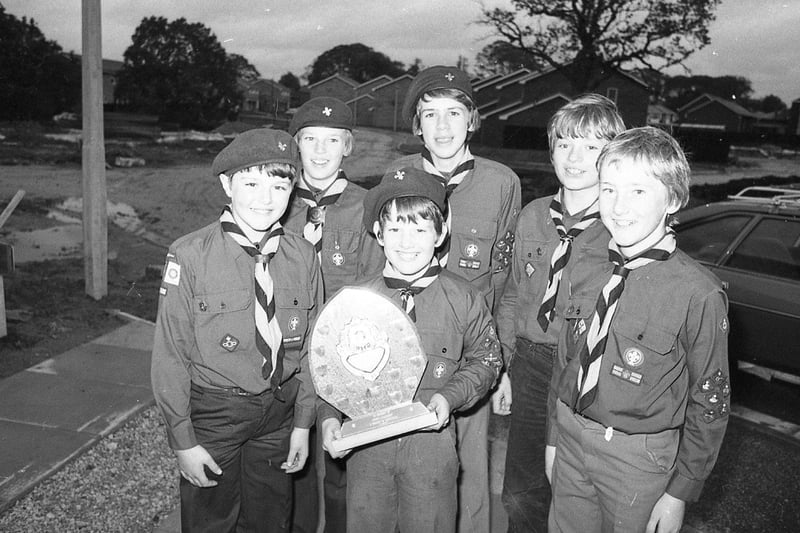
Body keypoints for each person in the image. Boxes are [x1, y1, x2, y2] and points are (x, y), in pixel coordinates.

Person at [547, 126, 730, 533]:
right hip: (571, 437)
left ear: (674, 199)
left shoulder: (698, 293)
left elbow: (710, 402)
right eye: (609, 189)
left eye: (639, 192)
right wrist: (553, 438)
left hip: (637, 459)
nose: (619, 206)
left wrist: (680, 491)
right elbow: (565, 362)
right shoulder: (587, 264)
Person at [151, 128, 323, 533]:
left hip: (279, 414)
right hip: (217, 414)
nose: (266, 199)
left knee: (270, 520)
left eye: (279, 185)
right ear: (227, 184)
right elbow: (171, 353)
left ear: (292, 190)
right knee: (211, 520)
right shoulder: (190, 255)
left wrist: (302, 423)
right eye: (251, 183)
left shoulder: (302, 256)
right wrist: (183, 441)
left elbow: (315, 348)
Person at [319, 166, 503, 533]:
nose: (407, 242)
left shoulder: (464, 297)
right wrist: (328, 421)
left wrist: (449, 398)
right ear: (378, 233)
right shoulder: (354, 300)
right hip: (367, 446)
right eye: (395, 229)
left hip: (431, 447)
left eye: (420, 229)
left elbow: (486, 358)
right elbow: (329, 369)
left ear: (441, 233)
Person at [389, 65, 521, 533]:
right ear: (416, 125)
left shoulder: (502, 182)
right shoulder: (397, 174)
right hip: (408, 348)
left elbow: (504, 284)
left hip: (472, 354)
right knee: (402, 471)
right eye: (429, 115)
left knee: (470, 472)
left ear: (473, 120)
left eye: (453, 113)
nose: (441, 127)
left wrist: (501, 361)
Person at [491, 94, 625, 532]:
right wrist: (505, 367)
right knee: (521, 489)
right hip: (531, 362)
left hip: (586, 370)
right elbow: (511, 296)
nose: (574, 157)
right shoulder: (532, 215)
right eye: (564, 143)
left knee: (578, 491)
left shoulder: (620, 227)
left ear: (612, 156)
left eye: (590, 147)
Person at [284, 96, 383, 533]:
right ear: (296, 145)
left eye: (332, 140)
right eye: (310, 140)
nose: (320, 151)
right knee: (291, 470)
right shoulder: (275, 199)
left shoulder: (368, 206)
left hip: (343, 356)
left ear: (348, 147)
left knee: (340, 468)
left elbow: (375, 286)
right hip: (285, 357)